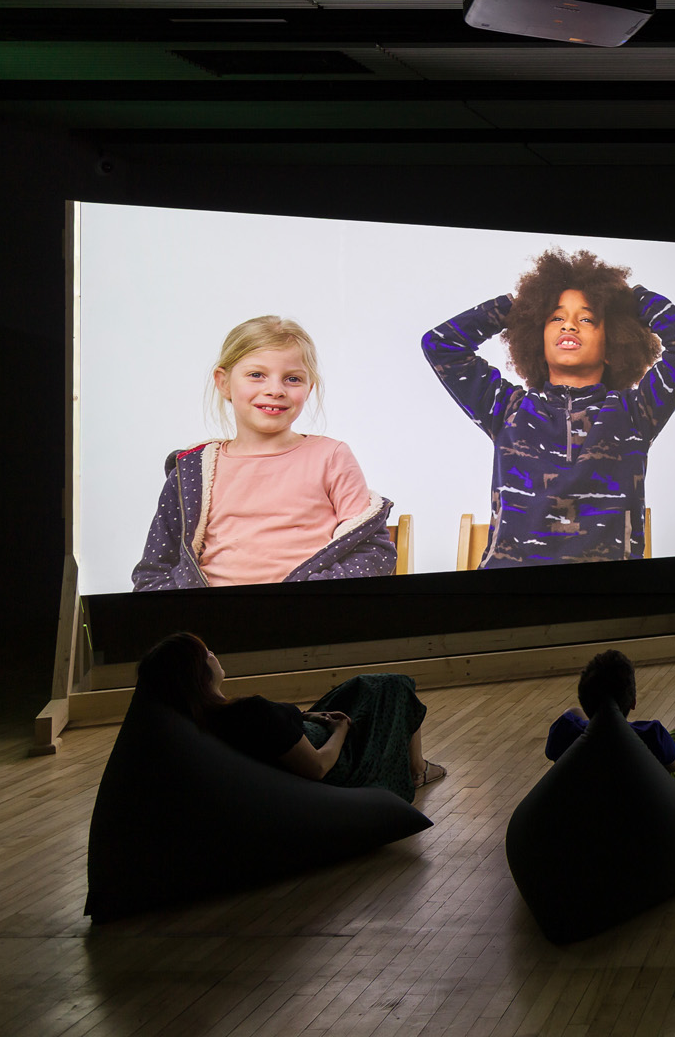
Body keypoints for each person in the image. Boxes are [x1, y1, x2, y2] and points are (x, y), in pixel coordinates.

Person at [423, 248, 675, 566]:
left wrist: (630, 300)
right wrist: (518, 308)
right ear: (536, 339)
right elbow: (440, 344)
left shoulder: (635, 413)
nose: (569, 326)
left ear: (612, 344)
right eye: (556, 317)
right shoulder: (507, 409)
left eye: (586, 318)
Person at [132, 316, 396, 591]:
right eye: (256, 375)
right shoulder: (192, 471)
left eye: (292, 379)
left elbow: (374, 553)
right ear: (224, 383)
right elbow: (155, 570)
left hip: (306, 619)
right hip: (211, 622)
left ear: (309, 388)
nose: (275, 390)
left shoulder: (331, 456)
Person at [134, 631, 444, 801]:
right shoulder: (247, 712)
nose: (214, 654)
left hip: (307, 729)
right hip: (336, 756)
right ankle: (416, 770)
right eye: (207, 654)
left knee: (364, 686)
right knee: (396, 685)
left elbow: (277, 734)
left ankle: (415, 764)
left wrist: (310, 718)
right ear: (198, 672)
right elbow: (319, 766)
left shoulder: (210, 718)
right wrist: (340, 729)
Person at [545, 649, 675, 787]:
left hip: (590, 783)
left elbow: (554, 754)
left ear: (584, 701)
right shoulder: (651, 735)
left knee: (573, 712)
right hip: (656, 792)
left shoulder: (565, 730)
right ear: (633, 702)